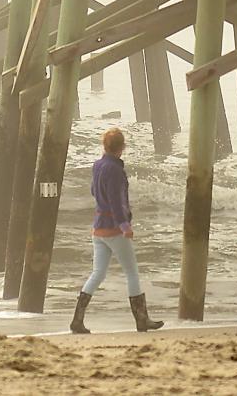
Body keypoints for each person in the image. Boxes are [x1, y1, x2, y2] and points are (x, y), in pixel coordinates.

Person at [70, 127, 164, 334]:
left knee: (97, 274)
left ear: (105, 146)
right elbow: (116, 200)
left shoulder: (97, 165)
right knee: (131, 273)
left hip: (98, 229)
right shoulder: (115, 170)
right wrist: (124, 225)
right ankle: (141, 320)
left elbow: (94, 191)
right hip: (114, 230)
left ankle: (77, 320)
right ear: (121, 148)